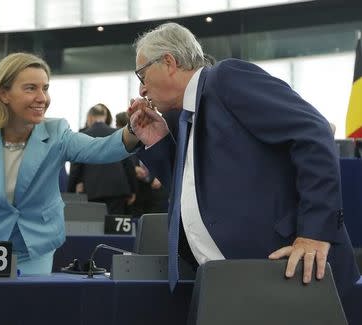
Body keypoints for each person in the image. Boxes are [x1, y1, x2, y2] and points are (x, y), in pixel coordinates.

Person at [127, 23, 359, 303]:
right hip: (233, 283)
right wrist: (158, 142)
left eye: (142, 75)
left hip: (291, 278)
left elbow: (313, 132)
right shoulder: (185, 117)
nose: (141, 89)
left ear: (169, 62)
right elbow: (192, 191)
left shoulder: (225, 79)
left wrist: (315, 232)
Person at [0, 52, 138, 274]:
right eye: (31, 88)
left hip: (32, 249)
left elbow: (100, 149)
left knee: (25, 307)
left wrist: (133, 130)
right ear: (4, 94)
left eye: (45, 88)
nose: (42, 98)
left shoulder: (58, 133)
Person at [70, 104, 136, 214]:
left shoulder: (82, 135)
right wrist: (133, 190)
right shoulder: (118, 133)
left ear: (89, 117)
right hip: (117, 190)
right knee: (115, 230)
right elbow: (128, 163)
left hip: (92, 191)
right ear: (105, 116)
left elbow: (75, 168)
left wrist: (71, 192)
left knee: (93, 227)